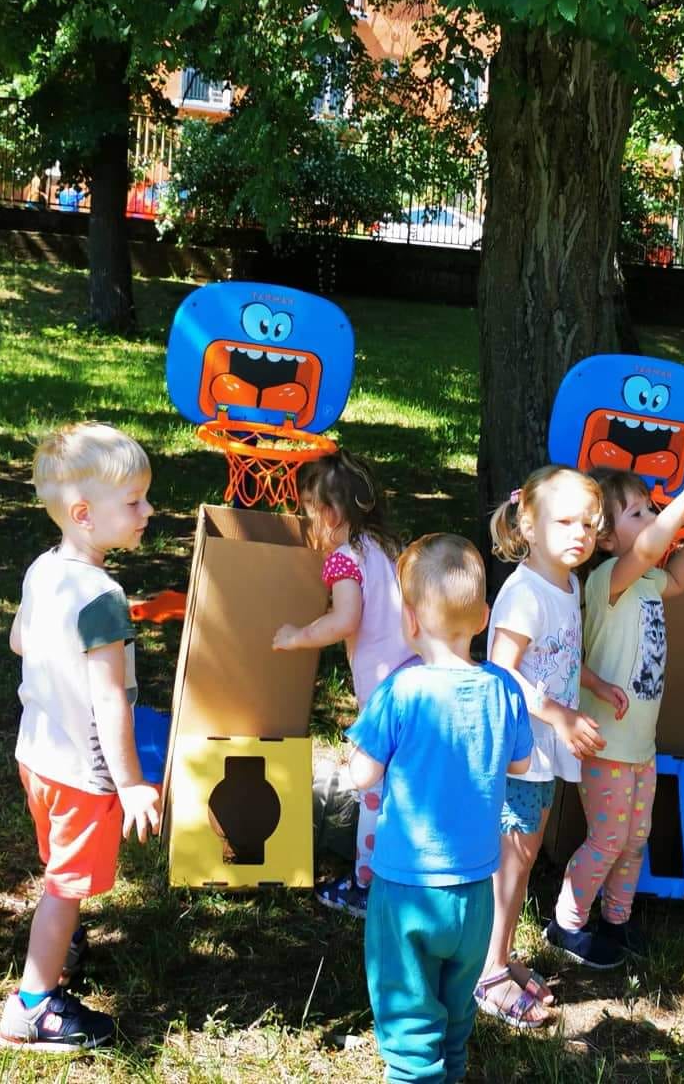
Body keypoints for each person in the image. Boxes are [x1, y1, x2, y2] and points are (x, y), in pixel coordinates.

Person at [0, 422, 162, 1055]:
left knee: (58, 867)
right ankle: (34, 1004)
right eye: (135, 502)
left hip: (35, 754)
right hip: (83, 773)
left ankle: (59, 945)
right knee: (67, 885)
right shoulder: (105, 596)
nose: (148, 511)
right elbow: (108, 701)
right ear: (85, 514)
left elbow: (18, 640)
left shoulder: (44, 570)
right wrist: (132, 785)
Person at [345, 534, 535, 1084]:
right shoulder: (502, 688)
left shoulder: (401, 690)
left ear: (409, 619)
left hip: (408, 889)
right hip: (475, 890)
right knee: (455, 1019)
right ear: (483, 617)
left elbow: (363, 775)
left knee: (409, 1026)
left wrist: (358, 748)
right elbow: (519, 765)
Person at [546, 459, 684, 967]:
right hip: (604, 743)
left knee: (634, 838)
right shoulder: (609, 580)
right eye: (637, 513)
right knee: (607, 838)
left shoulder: (646, 583)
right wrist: (682, 504)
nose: (650, 520)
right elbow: (647, 550)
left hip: (639, 745)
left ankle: (617, 921)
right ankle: (567, 922)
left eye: (651, 510)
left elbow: (680, 580)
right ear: (605, 539)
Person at [474, 465, 607, 1027]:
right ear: (527, 523)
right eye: (566, 521)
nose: (581, 534)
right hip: (519, 751)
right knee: (513, 859)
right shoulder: (525, 593)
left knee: (522, 857)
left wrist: (595, 685)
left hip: (544, 751)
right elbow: (500, 672)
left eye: (591, 524)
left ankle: (498, 955)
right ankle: (487, 974)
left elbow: (559, 654)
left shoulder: (567, 582)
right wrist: (562, 714)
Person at [272, 451, 411, 916]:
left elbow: (344, 617)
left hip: (383, 694)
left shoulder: (344, 560)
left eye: (308, 511)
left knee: (371, 788)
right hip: (419, 679)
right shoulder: (393, 551)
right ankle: (410, 870)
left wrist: (298, 636)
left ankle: (367, 884)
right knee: (405, 784)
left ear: (329, 514)